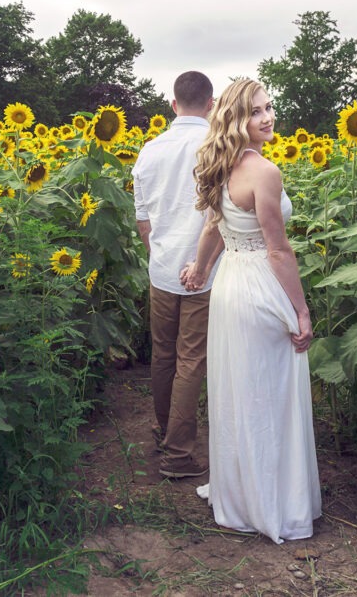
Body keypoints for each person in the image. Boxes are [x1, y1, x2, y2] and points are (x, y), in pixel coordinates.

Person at [180, 78, 321, 543]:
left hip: (229, 287)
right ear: (235, 120)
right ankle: (274, 502)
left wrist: (200, 272)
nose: (268, 117)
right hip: (260, 283)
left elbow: (213, 230)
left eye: (269, 107)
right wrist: (300, 311)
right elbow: (279, 251)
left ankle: (240, 495)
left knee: (240, 392)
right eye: (256, 112)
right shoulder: (264, 171)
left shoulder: (221, 163)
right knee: (271, 397)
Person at [132, 71, 220, 479]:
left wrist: (162, 258)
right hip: (207, 272)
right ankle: (179, 455)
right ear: (211, 103)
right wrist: (198, 264)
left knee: (163, 355)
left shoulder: (149, 151)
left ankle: (163, 430)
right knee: (191, 360)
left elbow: (143, 221)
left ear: (172, 104)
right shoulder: (217, 147)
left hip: (163, 270)